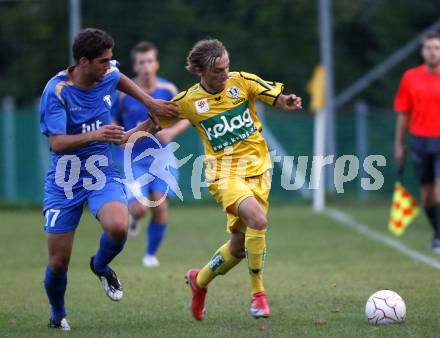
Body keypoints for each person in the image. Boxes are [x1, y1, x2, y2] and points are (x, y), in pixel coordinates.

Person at [137, 38, 302, 320]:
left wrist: (286, 102)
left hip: (259, 172)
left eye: (227, 67)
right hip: (223, 175)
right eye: (218, 71)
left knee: (238, 246)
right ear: (200, 71)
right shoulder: (189, 101)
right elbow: (152, 123)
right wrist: (124, 138)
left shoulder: (242, 81)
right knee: (259, 222)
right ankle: (258, 296)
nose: (225, 74)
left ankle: (198, 281)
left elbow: (274, 97)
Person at [39, 28, 178, 331]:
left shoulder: (109, 74)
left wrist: (151, 106)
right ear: (83, 62)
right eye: (103, 61)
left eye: (111, 60)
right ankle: (57, 312)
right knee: (58, 263)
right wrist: (97, 134)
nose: (110, 66)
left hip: (101, 173)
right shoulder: (57, 91)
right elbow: (57, 144)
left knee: (118, 227)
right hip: (65, 180)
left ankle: (100, 266)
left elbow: (121, 80)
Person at [112, 41, 190, 268]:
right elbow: (113, 120)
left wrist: (172, 132)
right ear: (135, 66)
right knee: (140, 208)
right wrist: (120, 140)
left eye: (150, 61)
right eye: (141, 62)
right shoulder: (124, 94)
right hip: (133, 160)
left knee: (160, 205)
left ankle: (150, 255)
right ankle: (134, 217)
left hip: (161, 157)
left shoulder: (168, 90)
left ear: (156, 63)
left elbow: (186, 115)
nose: (146, 66)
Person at [394, 31, 440, 252]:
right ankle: (437, 232)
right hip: (420, 140)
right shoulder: (410, 77)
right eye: (429, 48)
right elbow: (403, 113)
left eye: (436, 48)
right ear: (423, 51)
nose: (432, 52)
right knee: (428, 195)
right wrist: (399, 144)